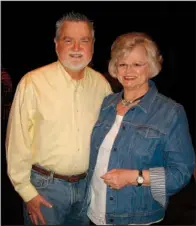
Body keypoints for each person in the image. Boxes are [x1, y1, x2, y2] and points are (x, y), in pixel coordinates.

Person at [6, 12, 111, 225]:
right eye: (68, 40)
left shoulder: (102, 86)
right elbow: (17, 140)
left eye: (84, 40)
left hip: (86, 187)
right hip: (45, 188)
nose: (76, 48)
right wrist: (27, 193)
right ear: (56, 44)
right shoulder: (33, 83)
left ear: (92, 44)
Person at [85, 32, 195, 225]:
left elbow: (181, 173)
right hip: (93, 213)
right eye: (122, 64)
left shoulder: (170, 112)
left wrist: (134, 177)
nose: (128, 71)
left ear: (151, 67)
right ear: (115, 68)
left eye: (137, 64)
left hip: (137, 217)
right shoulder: (106, 104)